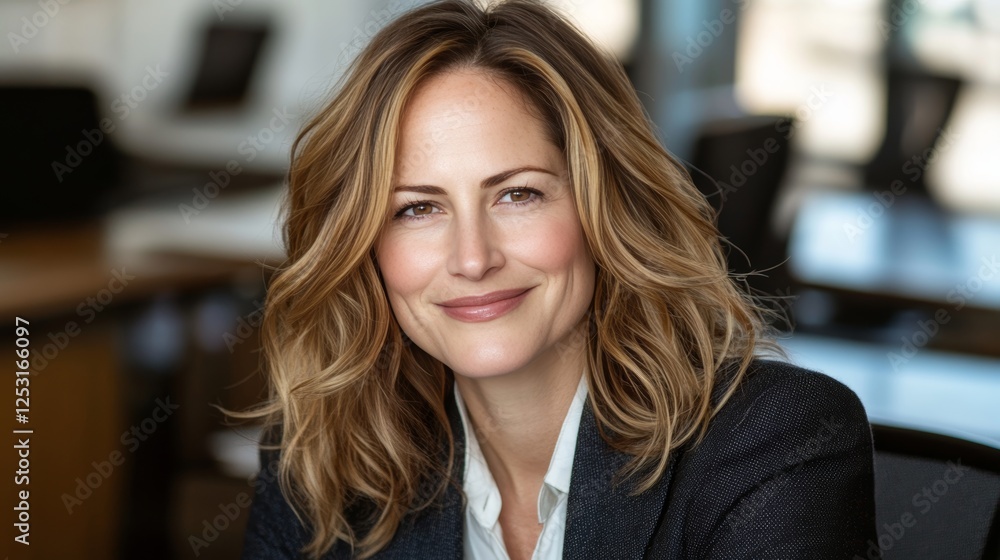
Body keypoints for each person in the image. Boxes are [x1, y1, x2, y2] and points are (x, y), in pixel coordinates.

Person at [241, 1, 878, 558]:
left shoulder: (775, 446)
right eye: (417, 208)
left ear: (606, 208)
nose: (472, 257)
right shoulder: (321, 460)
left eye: (518, 195)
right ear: (364, 247)